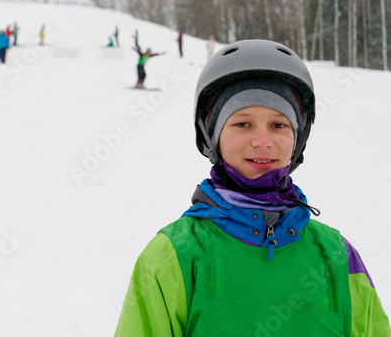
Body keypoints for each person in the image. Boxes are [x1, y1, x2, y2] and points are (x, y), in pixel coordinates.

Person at [115, 39, 391, 336]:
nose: (262, 141)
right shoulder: (175, 255)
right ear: (212, 136)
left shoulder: (337, 257)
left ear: (298, 137)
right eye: (243, 124)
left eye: (278, 125)